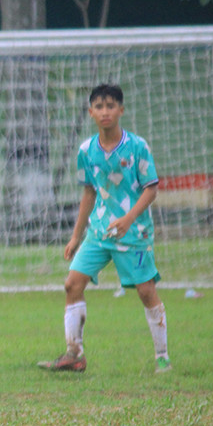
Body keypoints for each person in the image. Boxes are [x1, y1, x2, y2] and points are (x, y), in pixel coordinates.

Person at [39, 84, 170, 374]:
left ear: (121, 110)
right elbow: (89, 192)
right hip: (98, 233)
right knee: (72, 284)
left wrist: (128, 219)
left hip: (134, 234)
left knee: (147, 291)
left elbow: (151, 189)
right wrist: (76, 236)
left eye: (111, 106)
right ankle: (74, 354)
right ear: (90, 113)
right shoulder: (86, 150)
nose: (105, 112)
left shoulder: (137, 146)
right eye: (99, 107)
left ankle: (162, 356)